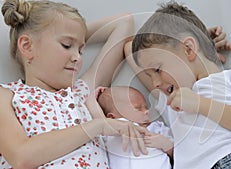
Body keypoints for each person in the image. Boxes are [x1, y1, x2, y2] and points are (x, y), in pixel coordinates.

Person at [125, 1, 231, 169]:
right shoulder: (170, 101)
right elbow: (128, 48)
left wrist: (199, 104)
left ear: (188, 49)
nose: (155, 83)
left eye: (157, 69)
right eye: (149, 75)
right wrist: (203, 40)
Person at [0, 0, 149, 168]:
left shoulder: (81, 92)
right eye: (66, 45)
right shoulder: (7, 95)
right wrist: (96, 126)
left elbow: (124, 23)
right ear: (27, 46)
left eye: (80, 50)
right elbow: (21, 156)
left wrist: (74, 33)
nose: (78, 57)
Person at [96, 86, 173, 169]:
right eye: (138, 108)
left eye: (146, 107)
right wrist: (95, 95)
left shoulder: (156, 128)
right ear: (112, 117)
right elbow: (95, 118)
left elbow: (181, 155)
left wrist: (167, 145)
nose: (147, 111)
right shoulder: (110, 131)